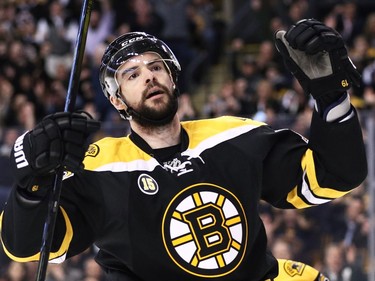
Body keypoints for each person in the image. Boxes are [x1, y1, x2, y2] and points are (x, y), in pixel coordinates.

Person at [0, 19, 367, 281]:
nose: (148, 76)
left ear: (173, 79)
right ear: (116, 101)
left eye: (156, 66)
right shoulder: (96, 169)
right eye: (132, 74)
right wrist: (33, 185)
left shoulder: (234, 136)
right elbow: (28, 247)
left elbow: (334, 177)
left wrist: (331, 98)